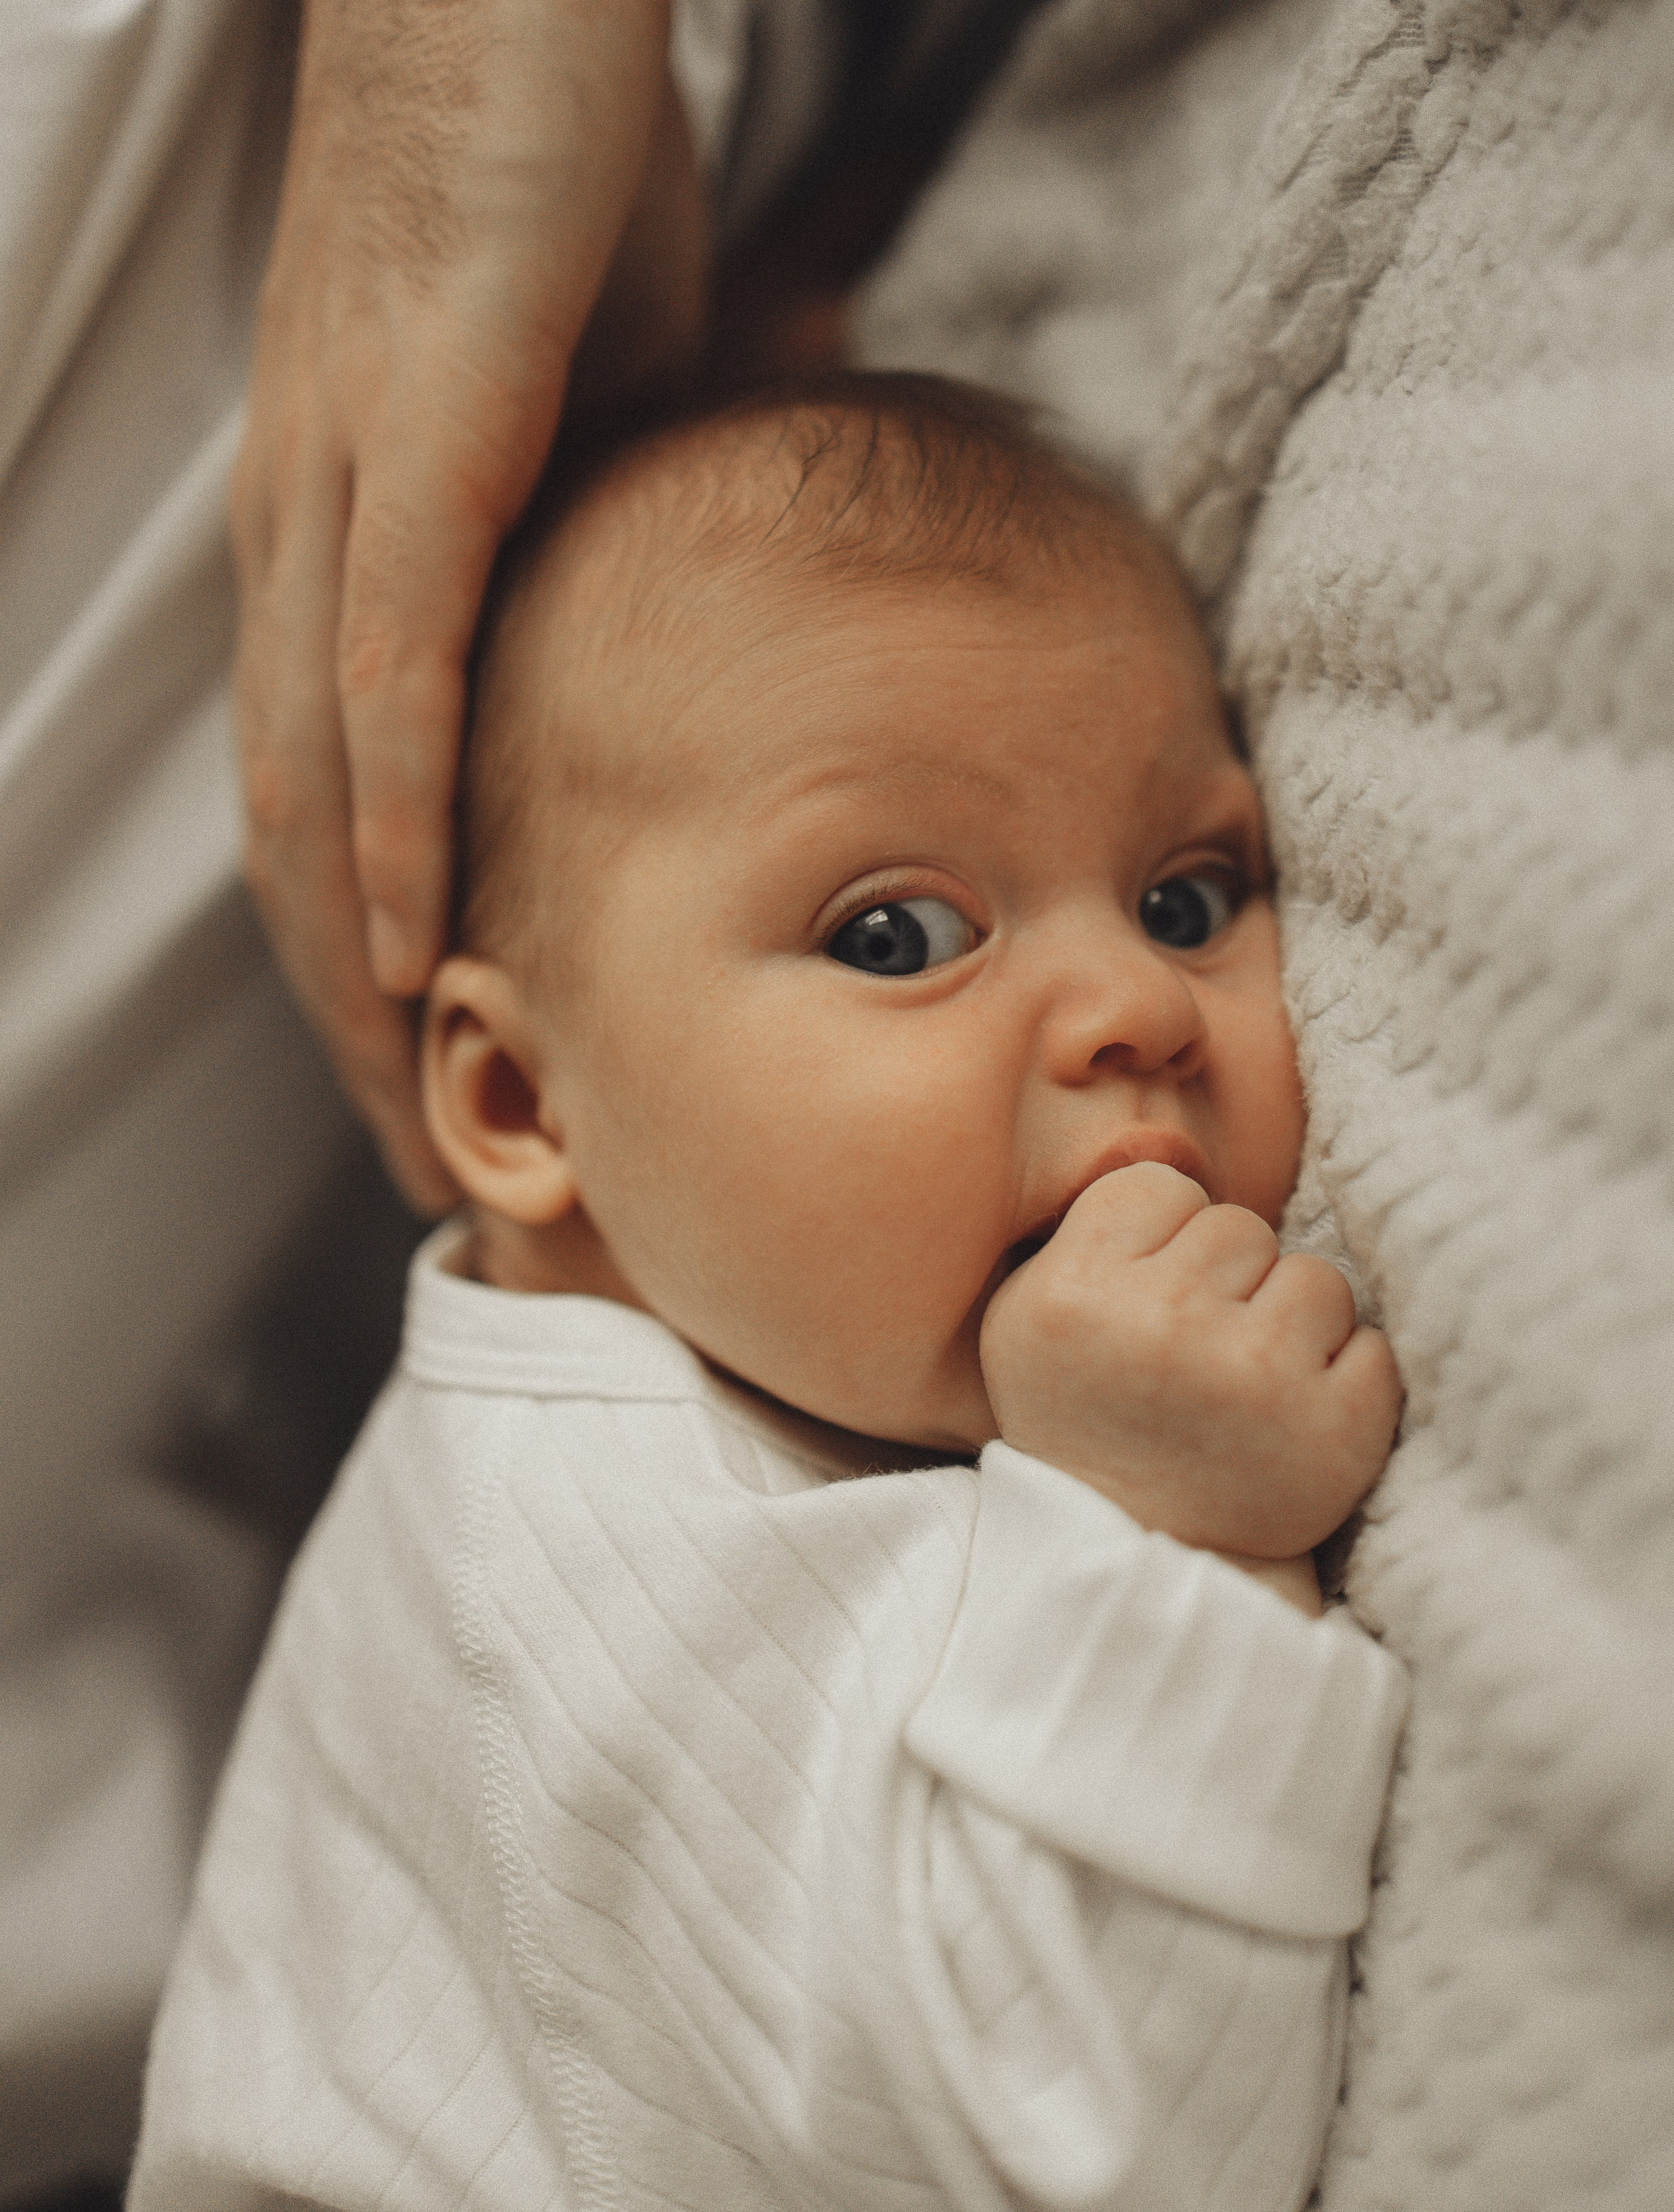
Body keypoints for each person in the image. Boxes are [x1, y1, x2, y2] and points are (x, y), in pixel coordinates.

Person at [130, 377, 1407, 2211]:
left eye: (1191, 896)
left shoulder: (758, 1370)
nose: (1135, 1006)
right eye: (897, 935)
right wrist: (1175, 1539)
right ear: (518, 1100)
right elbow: (1085, 2148)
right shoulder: (575, 1543)